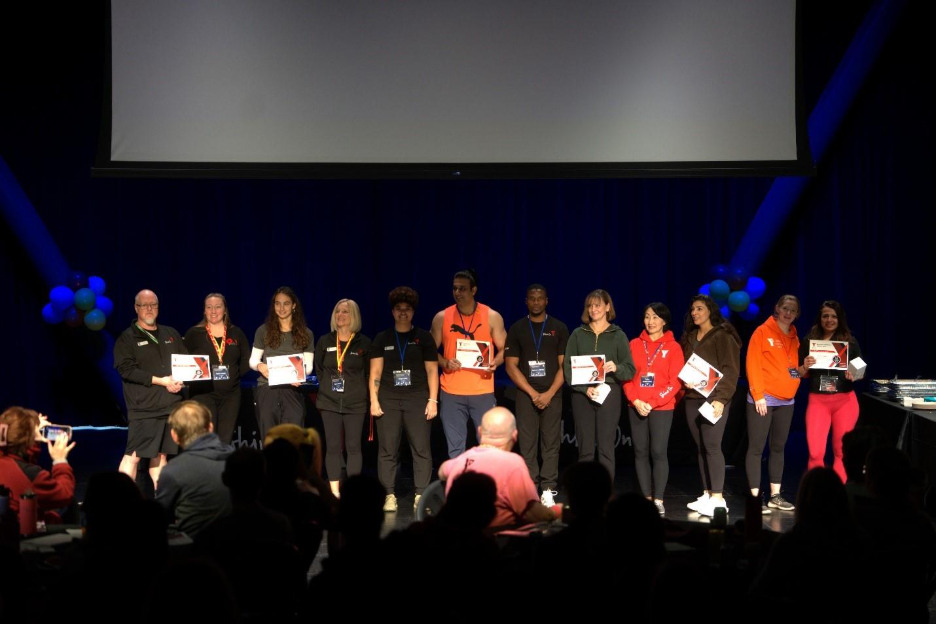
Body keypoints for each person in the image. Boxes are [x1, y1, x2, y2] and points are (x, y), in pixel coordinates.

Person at [369, 286, 439, 512]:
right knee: (388, 449)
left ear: (413, 312)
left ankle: (421, 494)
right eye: (398, 309)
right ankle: (389, 495)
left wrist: (433, 400)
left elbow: (432, 372)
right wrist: (374, 400)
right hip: (388, 398)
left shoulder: (423, 338)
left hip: (417, 398)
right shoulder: (382, 338)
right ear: (392, 312)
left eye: (407, 309)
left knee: (421, 448)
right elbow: (375, 373)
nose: (402, 313)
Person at [438, 407, 559, 530]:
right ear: (515, 435)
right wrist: (557, 512)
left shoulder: (463, 458)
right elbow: (533, 513)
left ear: (479, 432)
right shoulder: (513, 464)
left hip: (458, 539)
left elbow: (442, 471)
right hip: (499, 543)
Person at [504, 283, 569, 506]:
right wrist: (533, 393)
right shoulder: (517, 328)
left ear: (546, 301)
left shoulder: (558, 327)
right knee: (528, 443)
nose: (536, 302)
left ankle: (548, 488)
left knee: (551, 443)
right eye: (531, 298)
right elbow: (511, 366)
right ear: (526, 301)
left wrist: (549, 393)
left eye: (540, 298)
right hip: (525, 394)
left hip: (553, 393)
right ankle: (530, 486)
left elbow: (564, 366)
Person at [431, 269, 507, 458]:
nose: (457, 293)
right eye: (455, 288)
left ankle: (488, 485)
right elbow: (429, 352)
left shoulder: (491, 316)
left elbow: (506, 349)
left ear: (473, 290)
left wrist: (495, 362)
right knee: (455, 449)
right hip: (451, 392)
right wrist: (445, 362)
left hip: (482, 391)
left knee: (489, 445)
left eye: (463, 289)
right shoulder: (442, 317)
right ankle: (459, 484)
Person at [114, 289, 187, 486]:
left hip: (170, 406)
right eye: (144, 305)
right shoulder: (127, 338)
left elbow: (185, 362)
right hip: (144, 408)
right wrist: (162, 381)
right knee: (134, 456)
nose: (149, 309)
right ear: (136, 308)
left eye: (153, 305)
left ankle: (161, 500)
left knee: (161, 456)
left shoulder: (171, 333)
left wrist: (180, 380)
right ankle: (123, 499)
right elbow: (127, 370)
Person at [562, 289, 636, 480]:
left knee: (606, 449)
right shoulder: (578, 334)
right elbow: (568, 368)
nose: (593, 309)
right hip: (582, 394)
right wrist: (583, 389)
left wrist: (616, 367)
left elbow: (629, 369)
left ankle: (605, 496)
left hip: (608, 394)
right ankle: (584, 496)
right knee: (585, 449)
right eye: (590, 306)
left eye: (597, 305)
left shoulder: (618, 335)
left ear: (607, 307)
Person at [746, 294, 809, 512]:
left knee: (778, 448)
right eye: (785, 308)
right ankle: (755, 498)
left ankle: (775, 495)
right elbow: (752, 363)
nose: (788, 313)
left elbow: (794, 371)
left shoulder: (794, 337)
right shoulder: (762, 332)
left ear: (797, 314)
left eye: (793, 310)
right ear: (777, 308)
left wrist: (806, 368)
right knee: (756, 448)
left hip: (786, 400)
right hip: (763, 399)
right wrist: (758, 395)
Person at [680, 294, 741, 517]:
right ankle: (707, 494)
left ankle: (718, 498)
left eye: (699, 309)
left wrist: (721, 399)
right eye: (692, 309)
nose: (695, 313)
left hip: (713, 400)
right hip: (692, 399)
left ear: (710, 311)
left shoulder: (724, 335)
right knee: (701, 447)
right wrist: (684, 381)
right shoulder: (689, 336)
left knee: (713, 446)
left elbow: (731, 370)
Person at [623, 302, 684, 515]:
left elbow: (676, 382)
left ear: (664, 321)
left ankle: (658, 499)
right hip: (636, 405)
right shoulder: (634, 344)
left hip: (662, 406)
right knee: (640, 451)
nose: (650, 321)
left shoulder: (674, 347)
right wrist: (636, 401)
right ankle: (646, 499)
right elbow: (627, 376)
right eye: (647, 316)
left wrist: (653, 402)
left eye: (655, 317)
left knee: (658, 452)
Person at [799, 300, 862, 483]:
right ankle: (817, 493)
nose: (829, 319)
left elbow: (861, 368)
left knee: (841, 451)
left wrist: (854, 374)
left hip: (845, 401)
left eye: (833, 316)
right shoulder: (809, 340)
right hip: (818, 402)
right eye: (825, 315)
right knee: (815, 451)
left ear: (839, 318)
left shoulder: (849, 340)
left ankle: (839, 495)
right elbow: (796, 373)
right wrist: (804, 366)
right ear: (820, 317)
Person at [315, 299, 371, 498]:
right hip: (329, 401)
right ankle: (334, 491)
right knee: (332, 447)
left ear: (353, 315)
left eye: (345, 312)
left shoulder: (364, 343)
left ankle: (353, 492)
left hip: (355, 403)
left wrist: (358, 391)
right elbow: (319, 370)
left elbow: (368, 374)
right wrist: (328, 388)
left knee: (353, 447)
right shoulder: (325, 341)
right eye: (337, 311)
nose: (340, 315)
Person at [155, 400, 234, 537]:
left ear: (174, 436)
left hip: (191, 550)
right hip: (238, 550)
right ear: (210, 427)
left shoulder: (173, 471)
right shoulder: (239, 461)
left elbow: (161, 518)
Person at [183, 293, 251, 445]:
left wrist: (233, 375)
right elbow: (182, 361)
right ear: (204, 311)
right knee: (205, 440)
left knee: (224, 441)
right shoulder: (194, 333)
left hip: (230, 397)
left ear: (225, 310)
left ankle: (220, 469)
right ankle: (203, 469)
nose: (213, 311)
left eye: (218, 307)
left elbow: (247, 360)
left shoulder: (236, 333)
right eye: (209, 307)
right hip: (203, 394)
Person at [249, 287, 314, 441]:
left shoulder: (306, 333)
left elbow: (309, 366)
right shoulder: (263, 331)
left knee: (293, 439)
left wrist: (300, 374)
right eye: (277, 304)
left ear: (294, 305)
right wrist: (260, 366)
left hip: (292, 390)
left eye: (286, 303)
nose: (281, 308)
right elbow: (253, 361)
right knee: (270, 438)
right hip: (267, 389)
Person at [0, 406, 75, 516]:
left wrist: (31, 430)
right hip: (20, 530)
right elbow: (64, 494)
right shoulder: (31, 474)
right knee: (69, 507)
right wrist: (60, 461)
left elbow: (19, 463)